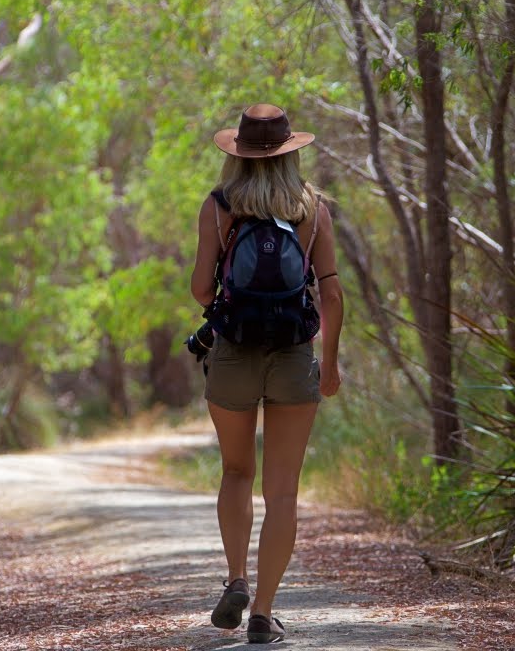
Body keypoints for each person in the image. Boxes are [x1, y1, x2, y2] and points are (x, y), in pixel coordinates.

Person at [189, 103, 343, 644]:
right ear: (290, 153)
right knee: (283, 493)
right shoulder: (311, 206)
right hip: (293, 354)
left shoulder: (219, 205)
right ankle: (262, 614)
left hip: (232, 352)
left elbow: (202, 291)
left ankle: (235, 578)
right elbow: (331, 291)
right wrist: (333, 362)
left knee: (236, 473)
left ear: (238, 154)